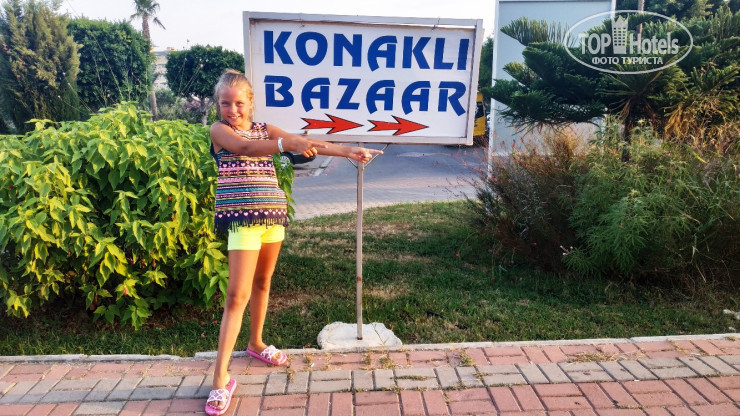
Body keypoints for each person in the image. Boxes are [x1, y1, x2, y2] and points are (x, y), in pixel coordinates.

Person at [205, 69, 382, 415]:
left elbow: (306, 143)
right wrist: (286, 145)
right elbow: (245, 148)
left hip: (272, 215)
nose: (232, 110)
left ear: (250, 103)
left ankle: (256, 343)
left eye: (239, 103)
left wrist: (349, 150)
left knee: (263, 282)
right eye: (225, 103)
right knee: (236, 296)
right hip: (243, 220)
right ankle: (219, 379)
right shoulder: (219, 131)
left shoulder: (265, 129)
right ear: (218, 105)